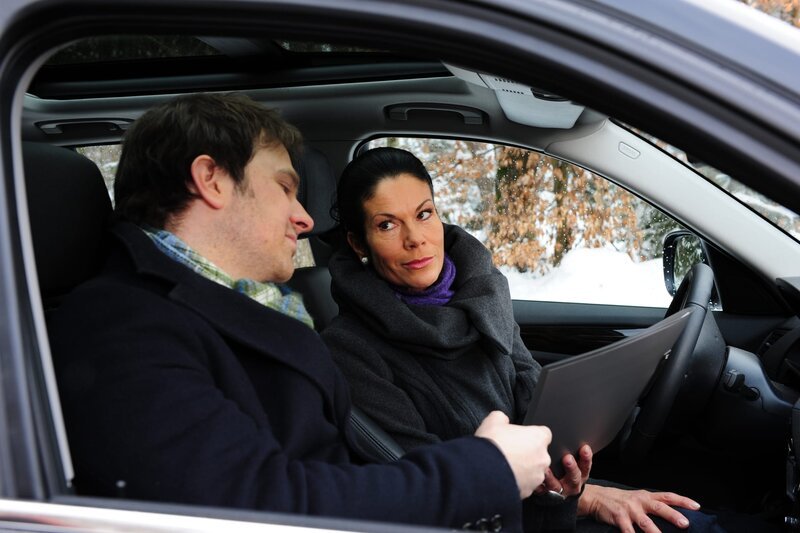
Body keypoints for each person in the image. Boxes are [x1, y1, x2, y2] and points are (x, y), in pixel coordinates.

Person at [48, 93, 554, 531]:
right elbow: (257, 509)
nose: (306, 218)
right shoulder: (118, 326)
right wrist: (485, 471)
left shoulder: (228, 309)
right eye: (286, 187)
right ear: (212, 179)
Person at [321, 147, 721, 533]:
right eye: (387, 224)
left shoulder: (482, 293)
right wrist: (589, 500)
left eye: (424, 214)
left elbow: (530, 386)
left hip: (552, 493)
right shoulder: (349, 350)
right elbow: (425, 484)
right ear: (359, 244)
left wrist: (569, 468)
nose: (416, 238)